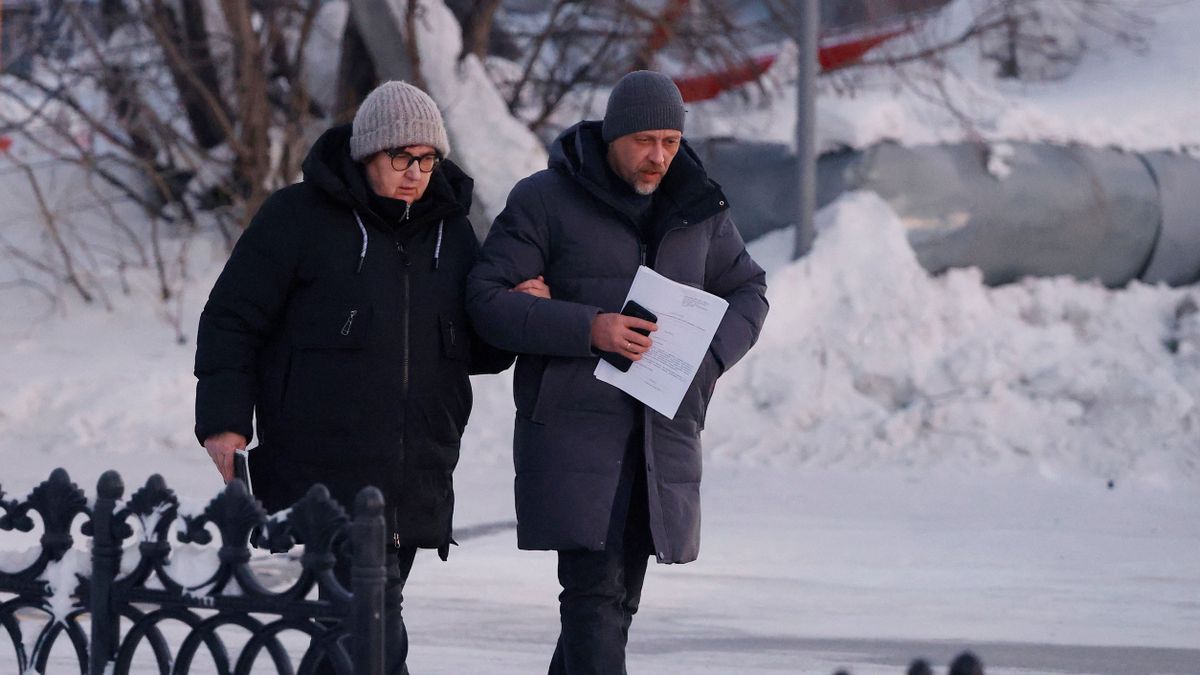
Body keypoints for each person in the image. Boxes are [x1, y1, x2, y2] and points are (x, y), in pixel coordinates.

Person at [194, 80, 517, 674]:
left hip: (419, 462)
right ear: (367, 153)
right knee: (369, 618)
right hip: (324, 460)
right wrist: (224, 421)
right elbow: (231, 320)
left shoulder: (452, 230)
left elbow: (485, 352)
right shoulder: (296, 218)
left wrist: (518, 306)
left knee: (352, 623)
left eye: (427, 159)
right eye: (402, 158)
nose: (416, 173)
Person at [466, 70, 769, 673]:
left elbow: (749, 290)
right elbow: (485, 300)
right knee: (594, 602)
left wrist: (705, 364)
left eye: (671, 142)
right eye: (644, 141)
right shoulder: (544, 200)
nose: (659, 156)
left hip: (661, 435)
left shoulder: (699, 206)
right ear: (613, 134)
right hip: (577, 434)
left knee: (615, 603)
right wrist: (589, 328)